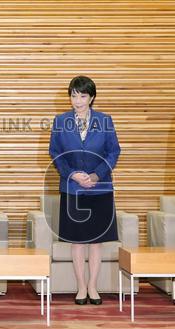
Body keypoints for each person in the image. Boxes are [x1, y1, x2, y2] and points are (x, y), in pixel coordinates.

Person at [48, 75, 121, 305]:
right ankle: (80, 287)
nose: (77, 100)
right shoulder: (60, 121)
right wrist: (73, 174)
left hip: (99, 189)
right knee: (77, 241)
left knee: (96, 242)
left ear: (91, 98)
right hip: (72, 189)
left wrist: (96, 175)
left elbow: (113, 152)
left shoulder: (105, 120)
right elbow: (55, 153)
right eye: (73, 95)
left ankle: (93, 287)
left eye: (82, 96)